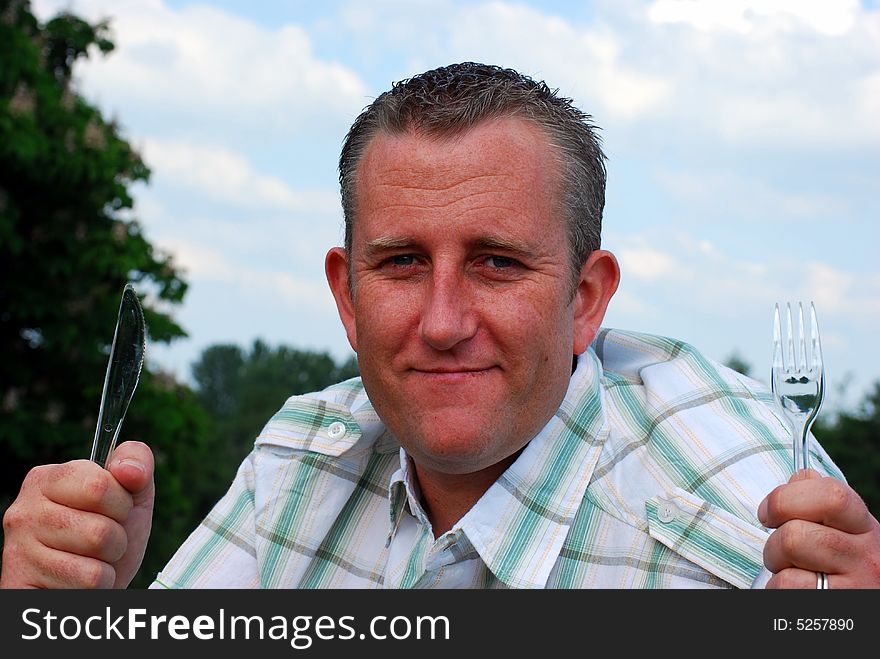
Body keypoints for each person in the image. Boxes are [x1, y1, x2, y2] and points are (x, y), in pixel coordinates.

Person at [2, 62, 878, 589]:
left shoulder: (756, 528)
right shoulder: (301, 459)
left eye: (498, 262)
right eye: (401, 262)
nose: (444, 322)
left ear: (586, 298)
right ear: (346, 296)